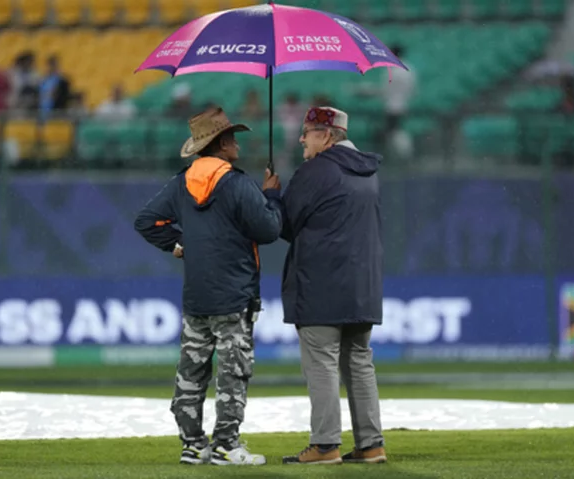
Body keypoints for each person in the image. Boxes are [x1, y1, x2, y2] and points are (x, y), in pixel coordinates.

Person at [134, 107, 282, 466]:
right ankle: (226, 446)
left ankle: (192, 444)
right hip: (234, 296)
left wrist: (177, 244)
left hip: (197, 296)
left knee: (192, 370)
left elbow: (147, 221)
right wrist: (272, 197)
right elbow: (269, 231)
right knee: (233, 373)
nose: (236, 143)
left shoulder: (183, 182)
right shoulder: (238, 183)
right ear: (221, 144)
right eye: (231, 137)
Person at [279, 106, 386, 465]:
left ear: (326, 136)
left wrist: (268, 195)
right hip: (362, 285)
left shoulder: (317, 170)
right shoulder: (368, 171)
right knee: (359, 362)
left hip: (321, 283)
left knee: (321, 364)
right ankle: (371, 444)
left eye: (308, 132)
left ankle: (325, 445)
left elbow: (285, 224)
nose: (301, 139)